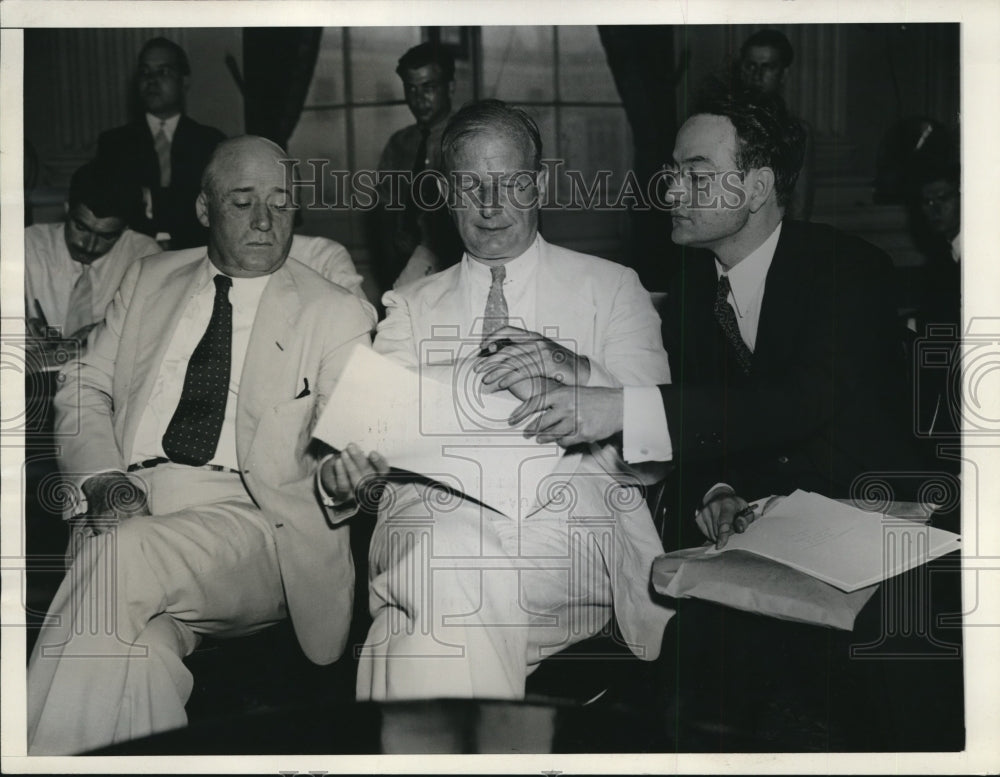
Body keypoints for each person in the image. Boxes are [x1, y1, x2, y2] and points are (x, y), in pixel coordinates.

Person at [27, 136, 376, 755]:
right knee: (138, 659)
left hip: (251, 524)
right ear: (203, 209)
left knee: (120, 554)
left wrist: (341, 473)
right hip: (125, 501)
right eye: (243, 202)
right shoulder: (150, 277)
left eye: (281, 203)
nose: (265, 221)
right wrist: (104, 478)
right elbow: (84, 383)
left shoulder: (335, 313)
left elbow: (351, 433)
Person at [323, 99, 672, 700]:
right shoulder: (409, 307)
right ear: (444, 194)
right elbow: (372, 441)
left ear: (540, 184)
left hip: (565, 524)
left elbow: (652, 456)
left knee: (410, 624)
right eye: (470, 186)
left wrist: (573, 367)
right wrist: (346, 476)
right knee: (449, 564)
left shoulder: (612, 289)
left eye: (510, 183)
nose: (490, 206)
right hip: (430, 516)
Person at [511, 86, 913, 550]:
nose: (670, 191)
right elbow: (704, 417)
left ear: (757, 188)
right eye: (673, 173)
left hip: (879, 524)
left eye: (697, 177)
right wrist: (718, 489)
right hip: (766, 534)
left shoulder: (851, 270)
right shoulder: (691, 287)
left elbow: (795, 404)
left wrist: (623, 408)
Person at [96, 37, 225, 250]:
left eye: (163, 71)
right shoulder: (114, 143)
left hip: (195, 254)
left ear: (184, 81)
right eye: (144, 72)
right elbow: (116, 206)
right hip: (133, 254)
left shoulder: (211, 141)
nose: (151, 80)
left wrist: (149, 198)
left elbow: (213, 209)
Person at [25, 160, 161, 344]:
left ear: (125, 228)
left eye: (106, 236)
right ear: (67, 208)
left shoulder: (145, 255)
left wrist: (108, 331)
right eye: (81, 228)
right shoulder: (28, 245)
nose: (88, 246)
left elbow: (153, 327)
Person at [370, 42, 464, 292]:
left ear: (450, 87)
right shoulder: (398, 144)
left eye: (428, 88)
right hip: (405, 273)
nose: (418, 99)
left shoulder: (467, 140)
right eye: (411, 89)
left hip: (457, 271)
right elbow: (384, 215)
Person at [736, 30, 814, 221]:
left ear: (783, 73)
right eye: (751, 65)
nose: (757, 75)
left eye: (767, 67)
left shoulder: (795, 131)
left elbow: (800, 207)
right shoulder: (721, 123)